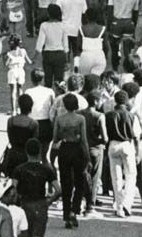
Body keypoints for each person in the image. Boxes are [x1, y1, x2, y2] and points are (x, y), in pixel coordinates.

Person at [50, 93, 88, 228]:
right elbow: (84, 139)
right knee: (79, 182)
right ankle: (74, 211)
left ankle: (66, 215)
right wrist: (87, 156)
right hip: (77, 149)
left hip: (64, 149)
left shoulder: (60, 119)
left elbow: (55, 138)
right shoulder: (81, 119)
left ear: (65, 105)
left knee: (66, 183)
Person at [9, 138, 57, 237]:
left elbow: (13, 189)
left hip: (24, 205)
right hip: (40, 205)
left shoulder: (19, 169)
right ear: (39, 151)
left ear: (26, 151)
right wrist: (49, 201)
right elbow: (59, 190)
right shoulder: (47, 170)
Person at [104, 91, 137, 219]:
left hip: (113, 144)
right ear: (126, 101)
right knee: (131, 175)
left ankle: (118, 207)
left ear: (115, 101)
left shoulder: (108, 115)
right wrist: (138, 151)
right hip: (127, 144)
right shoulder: (131, 115)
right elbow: (136, 135)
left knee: (116, 178)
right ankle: (127, 203)